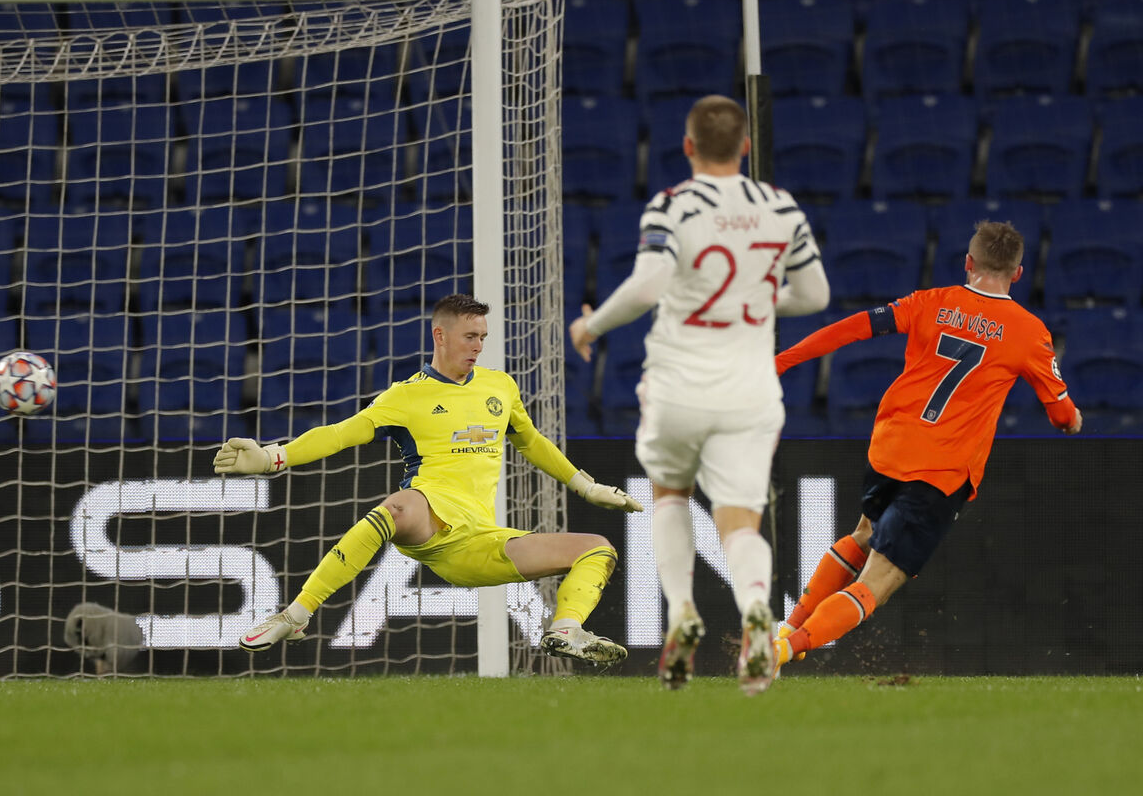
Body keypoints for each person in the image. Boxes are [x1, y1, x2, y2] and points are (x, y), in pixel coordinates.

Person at [215, 294, 643, 665]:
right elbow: (342, 433)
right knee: (397, 506)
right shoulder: (406, 396)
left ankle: (566, 631)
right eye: (469, 337)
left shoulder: (500, 387)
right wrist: (275, 456)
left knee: (597, 548)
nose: (478, 347)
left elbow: (531, 442)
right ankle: (296, 614)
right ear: (440, 336)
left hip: (480, 542)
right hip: (430, 518)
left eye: (483, 338)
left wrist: (587, 486)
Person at [568, 95, 830, 693]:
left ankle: (682, 609)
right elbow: (814, 294)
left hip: (679, 385)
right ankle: (758, 610)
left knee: (670, 496)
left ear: (687, 147)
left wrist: (592, 326)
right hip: (750, 390)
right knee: (740, 521)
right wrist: (759, 304)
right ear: (744, 147)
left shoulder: (674, 204)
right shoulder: (780, 207)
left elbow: (649, 284)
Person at [773, 220, 1082, 670]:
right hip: (941, 471)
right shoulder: (1029, 332)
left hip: (890, 448)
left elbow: (854, 328)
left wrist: (780, 362)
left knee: (864, 533)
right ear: (1017, 274)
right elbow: (1060, 413)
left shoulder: (929, 302)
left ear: (968, 263)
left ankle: (786, 628)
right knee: (879, 580)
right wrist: (1072, 420)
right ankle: (783, 649)